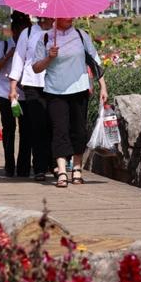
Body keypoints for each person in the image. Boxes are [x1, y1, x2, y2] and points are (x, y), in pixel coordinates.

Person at [32, 18, 108, 188]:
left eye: (71, 16)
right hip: (55, 91)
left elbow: (95, 62)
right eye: (65, 16)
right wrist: (49, 58)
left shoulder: (81, 36)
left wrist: (103, 87)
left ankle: (77, 169)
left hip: (79, 89)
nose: (70, 18)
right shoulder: (45, 38)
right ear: (57, 17)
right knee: (59, 130)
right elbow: (36, 67)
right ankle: (62, 171)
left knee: (79, 131)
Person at [9, 16, 54, 180]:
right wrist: (13, 86)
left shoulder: (60, 32)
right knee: (38, 126)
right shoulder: (28, 33)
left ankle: (55, 165)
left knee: (54, 125)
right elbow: (19, 58)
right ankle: (40, 167)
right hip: (33, 84)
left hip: (55, 84)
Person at [0, 13, 31, 177]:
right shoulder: (4, 45)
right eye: (21, 31)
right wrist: (9, 55)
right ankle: (9, 165)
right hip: (5, 92)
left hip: (26, 93)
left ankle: (24, 167)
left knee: (26, 129)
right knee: (9, 128)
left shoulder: (31, 45)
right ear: (14, 31)